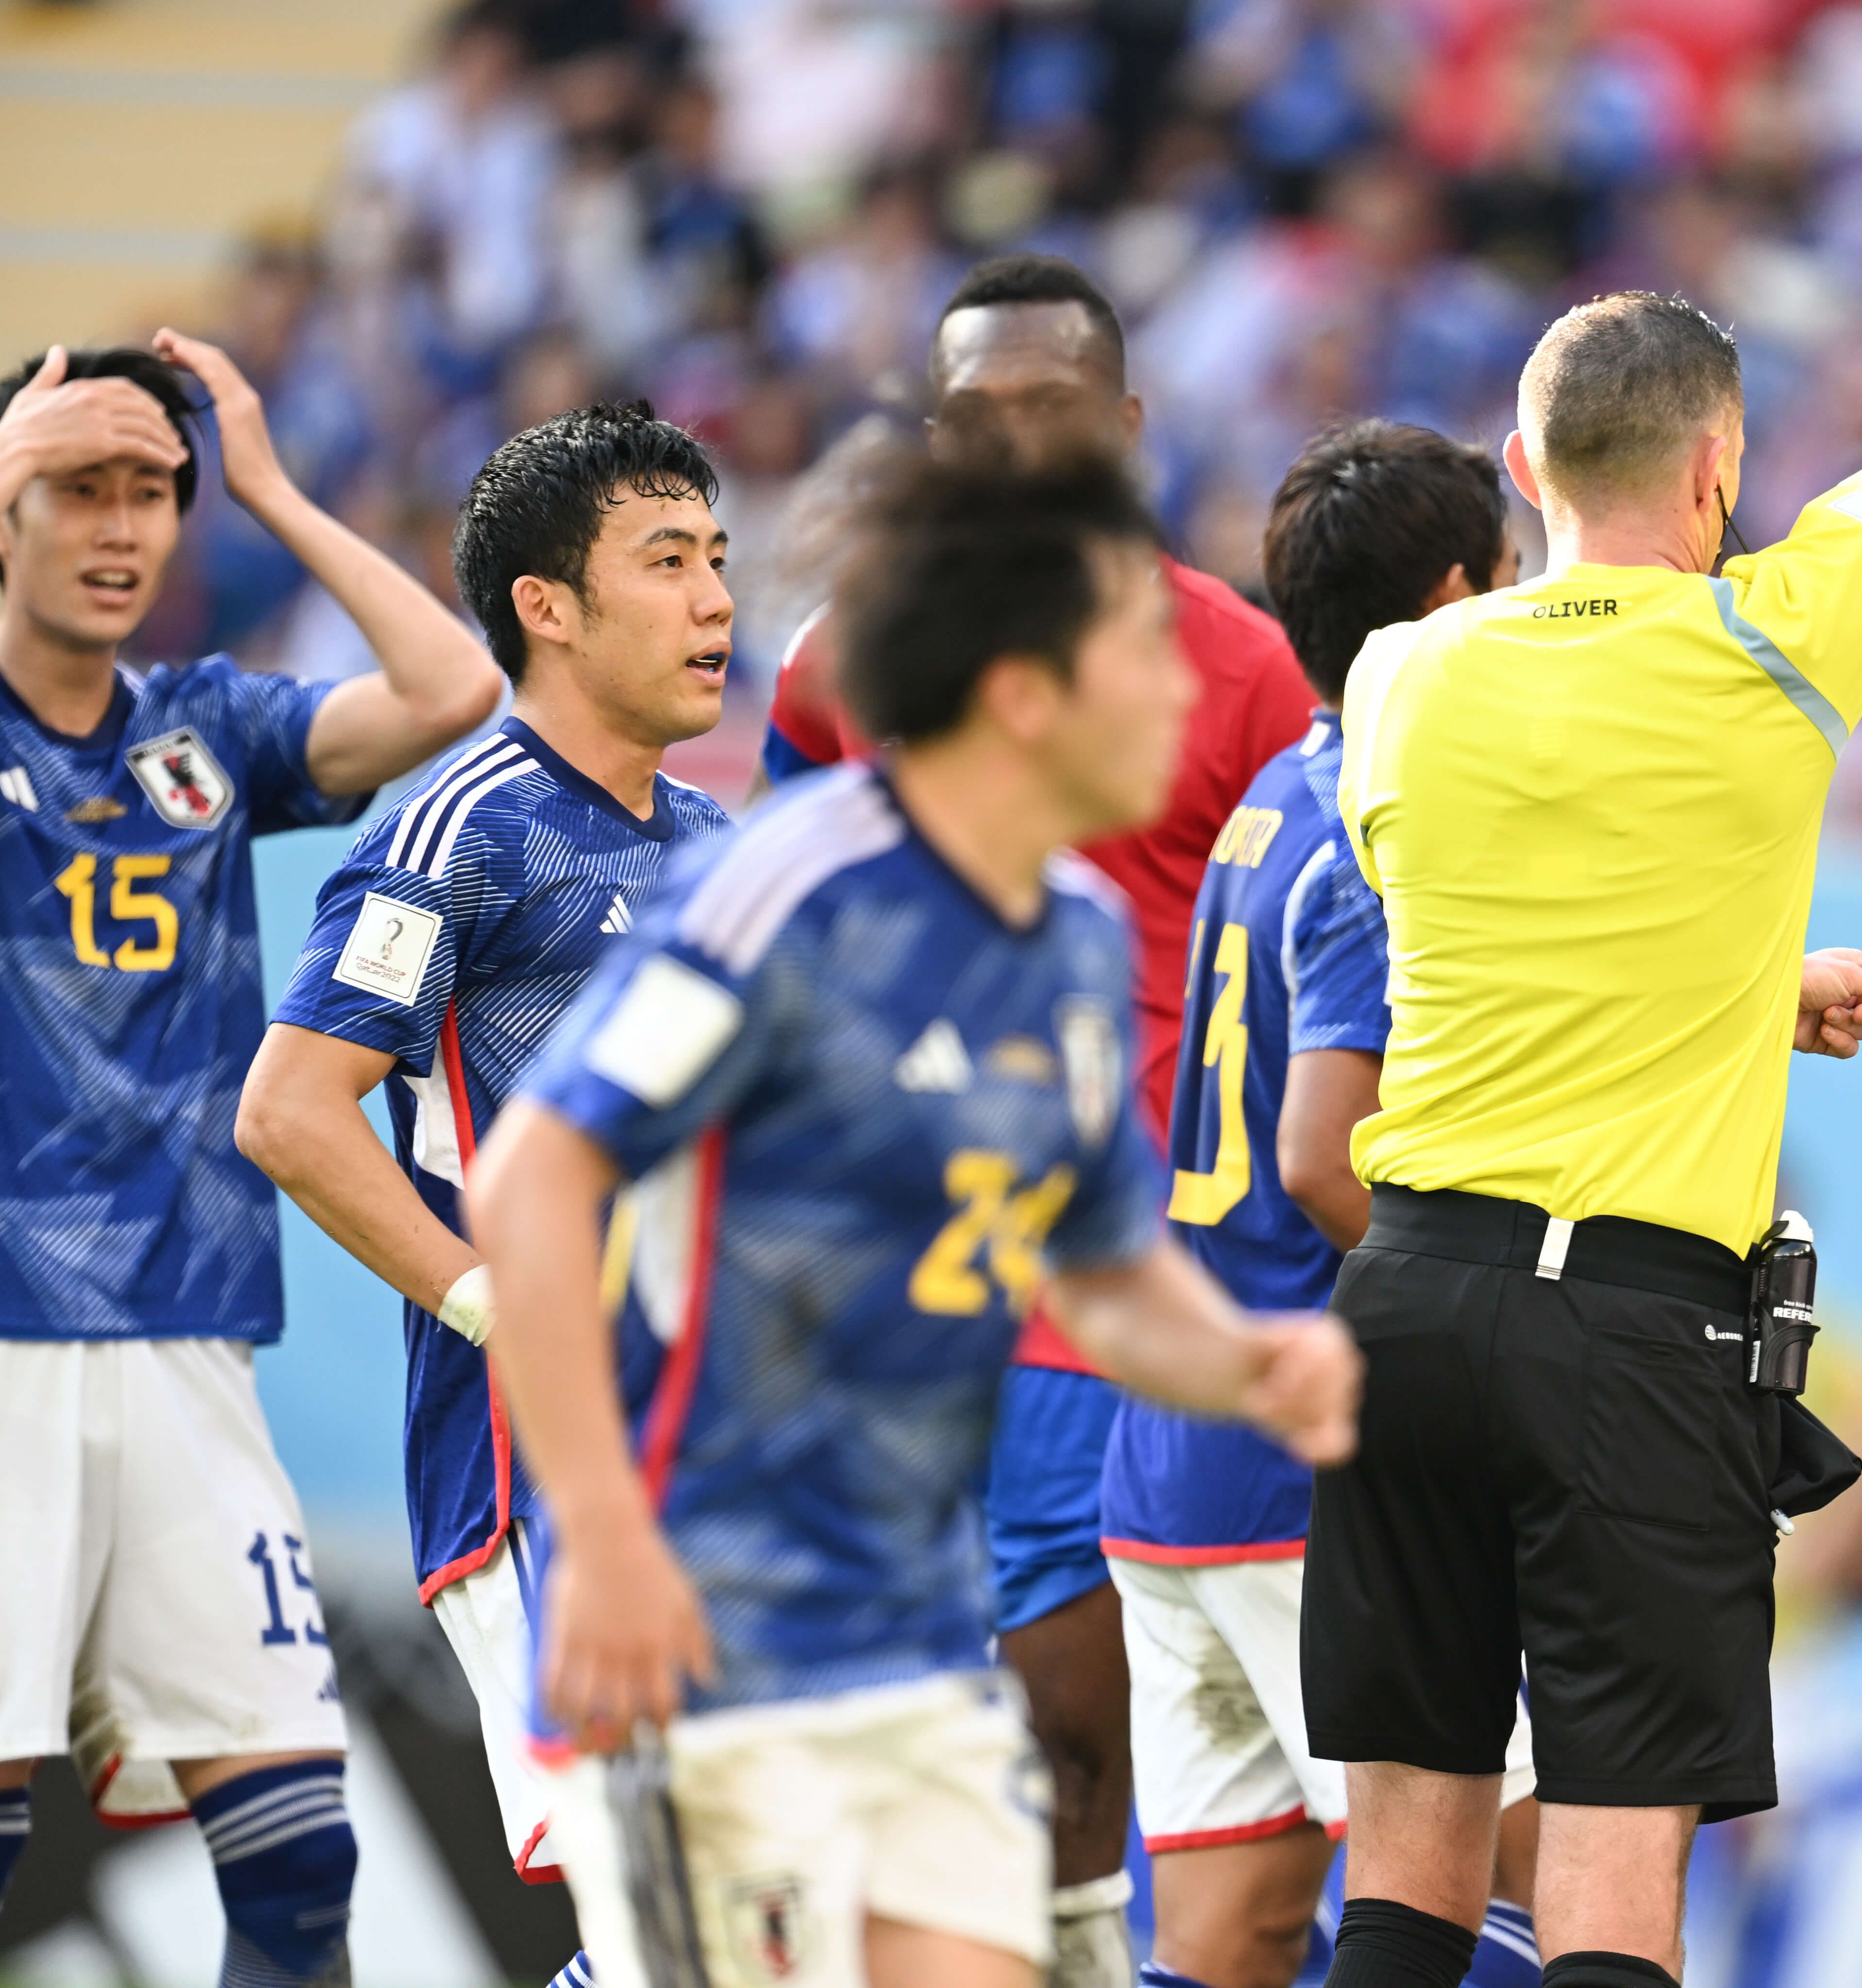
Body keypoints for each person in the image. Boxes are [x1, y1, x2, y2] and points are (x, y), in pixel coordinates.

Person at [1303, 0, 1862, 1988]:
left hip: (1415, 1298)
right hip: (1638, 1332)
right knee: (1615, 1895)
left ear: (1521, 464)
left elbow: (1507, 931)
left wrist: (1749, 984)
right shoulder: (1769, 643)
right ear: (1720, 468)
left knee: (1407, 1896)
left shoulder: (1398, 684)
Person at [462, 451, 1361, 1988]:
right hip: (713, 1650)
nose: (1184, 692)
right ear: (1023, 692)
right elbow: (533, 1179)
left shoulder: (1072, 935)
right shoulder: (792, 894)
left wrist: (1254, 1362)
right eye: (1141, 654)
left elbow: (1109, 1273)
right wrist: (602, 1541)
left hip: (929, 1655)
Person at [0, 335, 501, 1985]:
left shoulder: (206, 728)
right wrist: (0, 447)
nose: (125, 529)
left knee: (298, 1861)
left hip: (189, 1346)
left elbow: (449, 689)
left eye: (152, 495)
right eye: (82, 489)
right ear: (0, 513)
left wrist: (265, 483)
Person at [763, 251, 1315, 1985]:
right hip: (902, 1308)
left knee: (1112, 1750)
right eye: (969, 419)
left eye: (1047, 412)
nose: (1007, 449)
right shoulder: (839, 667)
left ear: (1127, 428)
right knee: (955, 1781)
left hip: (1127, 1295)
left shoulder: (1237, 670)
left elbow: (1346, 948)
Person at [236, 403, 736, 1983]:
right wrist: (490, 1303)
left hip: (719, 1442)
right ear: (548, 603)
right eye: (668, 561)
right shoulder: (460, 830)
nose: (719, 597)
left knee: (746, 1911)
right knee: (667, 1913)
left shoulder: (729, 844)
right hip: (540, 1464)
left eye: (719, 556)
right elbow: (293, 1110)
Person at [1110, 420, 1539, 1988]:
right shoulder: (1377, 813)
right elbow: (1321, 1154)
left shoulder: (1273, 796)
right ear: (1449, 598)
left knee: (1228, 1941)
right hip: (1311, 1456)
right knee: (1525, 1890)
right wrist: (1516, 1303)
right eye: (1512, 576)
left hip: (1167, 1465)